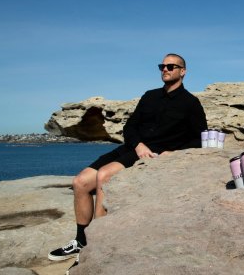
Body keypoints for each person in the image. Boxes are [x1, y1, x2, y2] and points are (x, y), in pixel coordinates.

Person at [48, 53, 208, 271]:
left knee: (103, 176)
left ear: (183, 71)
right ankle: (81, 241)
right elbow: (130, 127)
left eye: (172, 66)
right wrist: (138, 144)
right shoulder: (149, 96)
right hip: (132, 148)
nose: (165, 69)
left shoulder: (191, 103)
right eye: (162, 66)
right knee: (80, 182)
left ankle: (96, 245)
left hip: (154, 153)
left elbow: (200, 137)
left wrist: (174, 152)